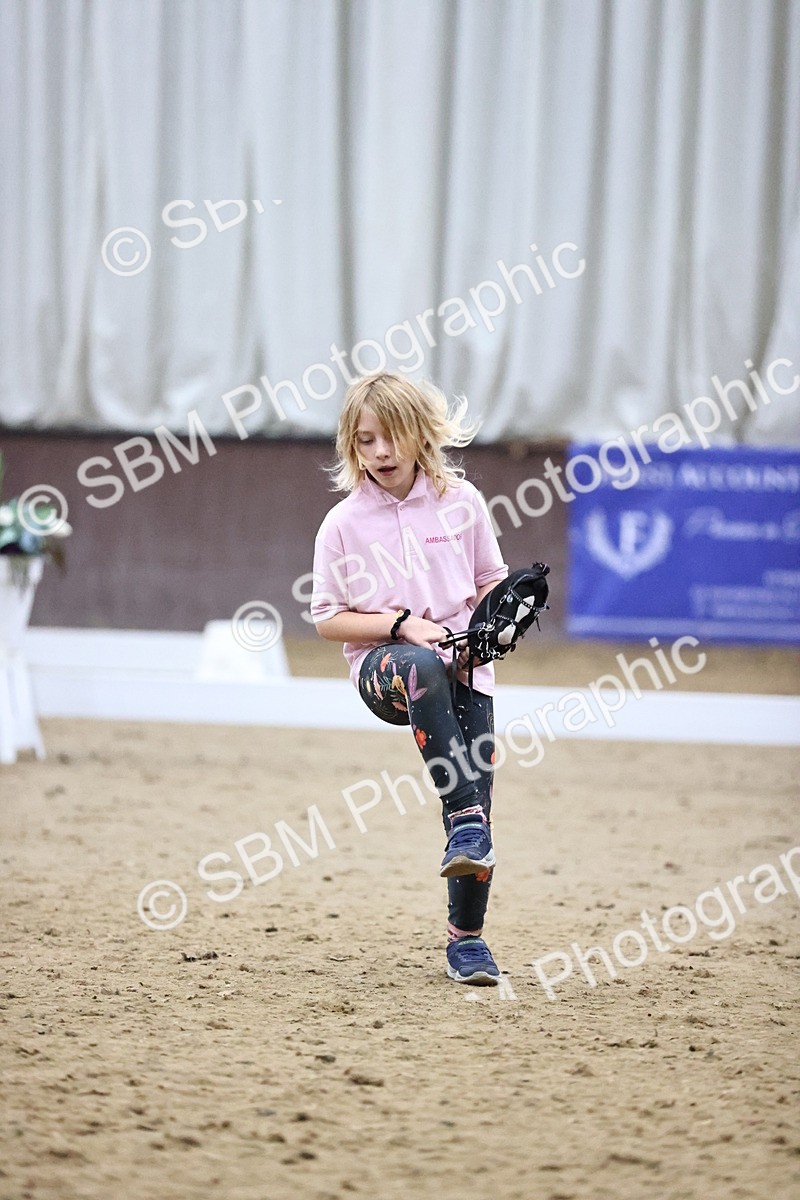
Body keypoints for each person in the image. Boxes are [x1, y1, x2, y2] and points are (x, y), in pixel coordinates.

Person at [310, 371, 509, 985]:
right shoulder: (341, 524)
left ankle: (466, 942)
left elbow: (490, 580)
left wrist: (498, 622)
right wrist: (399, 624)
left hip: (468, 669)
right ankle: (462, 821)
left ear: (422, 434)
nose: (381, 453)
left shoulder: (464, 502)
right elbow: (326, 619)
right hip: (387, 670)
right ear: (351, 445)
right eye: (366, 441)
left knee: (482, 802)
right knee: (422, 667)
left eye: (392, 437)